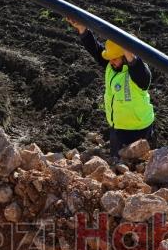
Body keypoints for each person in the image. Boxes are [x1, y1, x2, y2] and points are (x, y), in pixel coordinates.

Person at [67, 17, 156, 157]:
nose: (111, 61)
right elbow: (95, 49)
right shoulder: (111, 65)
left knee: (141, 166)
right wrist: (82, 29)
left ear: (126, 57)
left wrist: (129, 50)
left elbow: (137, 68)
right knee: (117, 165)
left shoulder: (139, 74)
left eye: (115, 57)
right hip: (118, 127)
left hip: (140, 129)